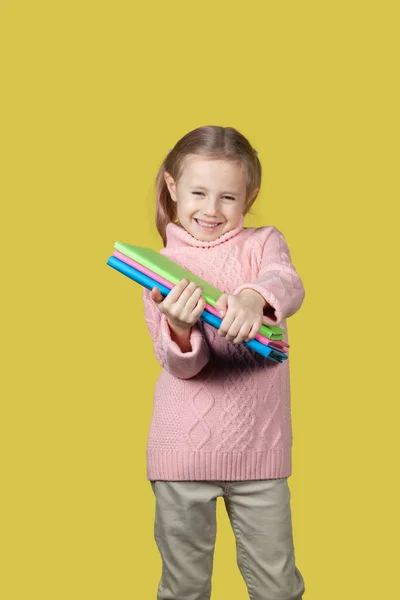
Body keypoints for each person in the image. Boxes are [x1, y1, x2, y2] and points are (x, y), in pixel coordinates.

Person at [142, 125, 306, 600]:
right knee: (185, 587)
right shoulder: (159, 267)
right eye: (197, 192)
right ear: (173, 188)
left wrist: (255, 298)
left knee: (278, 586)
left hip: (260, 450)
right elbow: (183, 367)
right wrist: (177, 326)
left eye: (228, 197)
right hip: (182, 454)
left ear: (249, 196)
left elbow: (287, 280)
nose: (211, 210)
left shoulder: (262, 243)